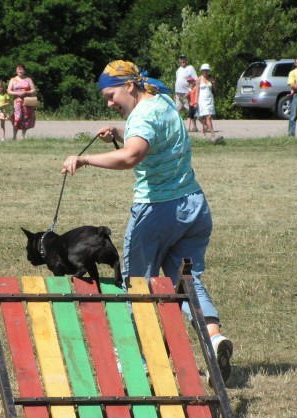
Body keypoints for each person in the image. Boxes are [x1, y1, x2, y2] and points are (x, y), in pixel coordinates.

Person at [60, 60, 233, 382]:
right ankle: (214, 340)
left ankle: (137, 358)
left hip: (157, 211)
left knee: (136, 283)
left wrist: (84, 159)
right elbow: (147, 140)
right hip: (193, 206)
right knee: (186, 279)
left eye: (111, 95)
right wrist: (119, 133)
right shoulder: (163, 101)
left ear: (129, 86)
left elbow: (131, 156)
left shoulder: (142, 114)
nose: (110, 103)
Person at [8, 63, 37, 140]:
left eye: (21, 69)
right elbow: (9, 91)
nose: (19, 71)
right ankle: (14, 136)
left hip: (27, 102)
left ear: (24, 70)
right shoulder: (13, 80)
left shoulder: (28, 79)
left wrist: (26, 92)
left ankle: (23, 136)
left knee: (26, 118)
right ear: (16, 70)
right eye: (18, 69)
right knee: (16, 118)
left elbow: (33, 90)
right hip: (17, 102)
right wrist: (17, 93)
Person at [195, 64, 222, 143]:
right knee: (205, 117)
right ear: (201, 71)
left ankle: (204, 134)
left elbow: (215, 90)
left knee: (208, 117)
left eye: (206, 70)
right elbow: (197, 91)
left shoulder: (211, 79)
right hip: (202, 100)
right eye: (203, 70)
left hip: (209, 99)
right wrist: (196, 102)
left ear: (209, 71)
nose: (205, 72)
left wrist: (214, 83)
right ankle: (213, 135)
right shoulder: (199, 79)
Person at [174, 55, 197, 119]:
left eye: (184, 59)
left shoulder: (190, 68)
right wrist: (175, 93)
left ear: (186, 60)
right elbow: (177, 81)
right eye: (181, 59)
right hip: (178, 94)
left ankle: (194, 126)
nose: (182, 61)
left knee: (190, 111)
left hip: (186, 94)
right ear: (179, 61)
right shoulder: (178, 70)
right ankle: (178, 127)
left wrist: (190, 92)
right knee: (176, 111)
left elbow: (195, 81)